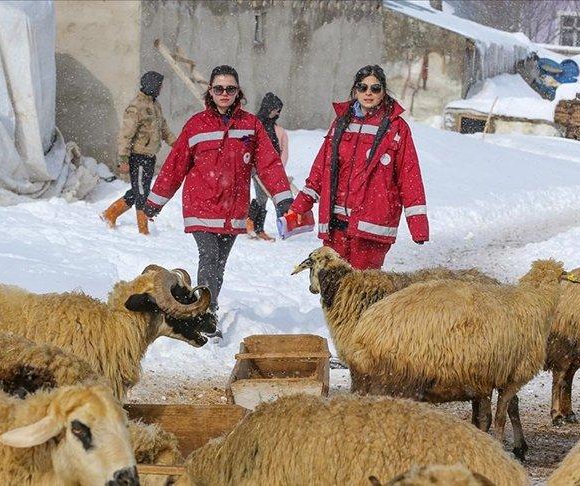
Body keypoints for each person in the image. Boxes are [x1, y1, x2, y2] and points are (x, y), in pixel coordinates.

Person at [142, 65, 293, 313]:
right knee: (209, 257)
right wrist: (155, 201)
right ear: (210, 91)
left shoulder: (251, 125)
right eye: (219, 88)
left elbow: (269, 163)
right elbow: (175, 166)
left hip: (233, 209)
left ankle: (207, 304)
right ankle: (205, 313)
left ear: (238, 92)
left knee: (219, 265)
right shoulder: (196, 125)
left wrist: (283, 198)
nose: (224, 93)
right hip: (201, 204)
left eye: (230, 89)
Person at [288, 64, 428, 270]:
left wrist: (418, 225)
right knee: (333, 289)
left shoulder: (396, 128)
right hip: (336, 224)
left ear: (383, 92)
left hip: (371, 227)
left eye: (375, 88)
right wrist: (300, 205)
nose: (368, 93)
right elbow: (322, 168)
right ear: (355, 90)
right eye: (362, 87)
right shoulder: (341, 123)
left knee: (362, 291)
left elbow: (409, 177)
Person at [101, 71, 177, 235]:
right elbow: (126, 135)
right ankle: (143, 231)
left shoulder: (155, 105)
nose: (161, 89)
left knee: (138, 190)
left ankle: (110, 214)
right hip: (138, 157)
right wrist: (123, 159)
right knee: (142, 193)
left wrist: (178, 145)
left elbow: (163, 129)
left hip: (150, 157)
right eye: (159, 86)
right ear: (151, 86)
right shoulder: (136, 107)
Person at [246, 92, 289, 241]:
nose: (277, 113)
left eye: (279, 110)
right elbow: (248, 145)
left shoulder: (276, 129)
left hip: (272, 169)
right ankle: (255, 226)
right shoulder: (255, 125)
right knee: (262, 197)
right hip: (257, 168)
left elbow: (282, 150)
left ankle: (253, 225)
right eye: (275, 109)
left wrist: (278, 168)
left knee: (263, 197)